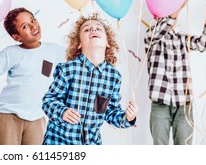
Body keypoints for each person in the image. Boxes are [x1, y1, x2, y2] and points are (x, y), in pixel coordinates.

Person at [42, 14, 138, 145]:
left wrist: (128, 118)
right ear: (79, 44)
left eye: (99, 29)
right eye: (87, 29)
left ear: (107, 42)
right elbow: (48, 101)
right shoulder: (67, 69)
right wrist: (62, 111)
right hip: (59, 142)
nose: (93, 30)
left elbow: (110, 112)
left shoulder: (113, 77)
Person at [0, 7, 65, 145]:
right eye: (25, 26)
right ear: (16, 37)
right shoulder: (11, 53)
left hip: (37, 117)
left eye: (33, 20)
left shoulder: (54, 50)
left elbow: (77, 60)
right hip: (9, 115)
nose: (33, 26)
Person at [144, 0, 206, 145]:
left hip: (184, 103)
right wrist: (176, 7)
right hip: (160, 103)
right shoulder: (151, 37)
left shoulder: (182, 38)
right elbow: (163, 28)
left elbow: (202, 45)